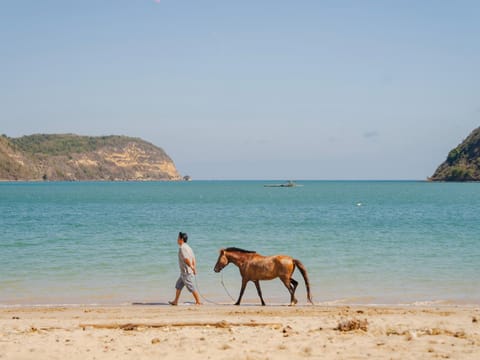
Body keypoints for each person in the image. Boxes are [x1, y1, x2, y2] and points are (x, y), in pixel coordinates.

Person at [169, 232, 202, 305]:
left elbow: (186, 259)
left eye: (178, 238)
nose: (177, 240)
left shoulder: (182, 248)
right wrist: (194, 268)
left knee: (191, 287)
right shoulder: (189, 247)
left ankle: (198, 301)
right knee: (178, 285)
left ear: (181, 239)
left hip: (186, 272)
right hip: (184, 272)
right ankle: (175, 301)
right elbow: (193, 259)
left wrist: (192, 268)